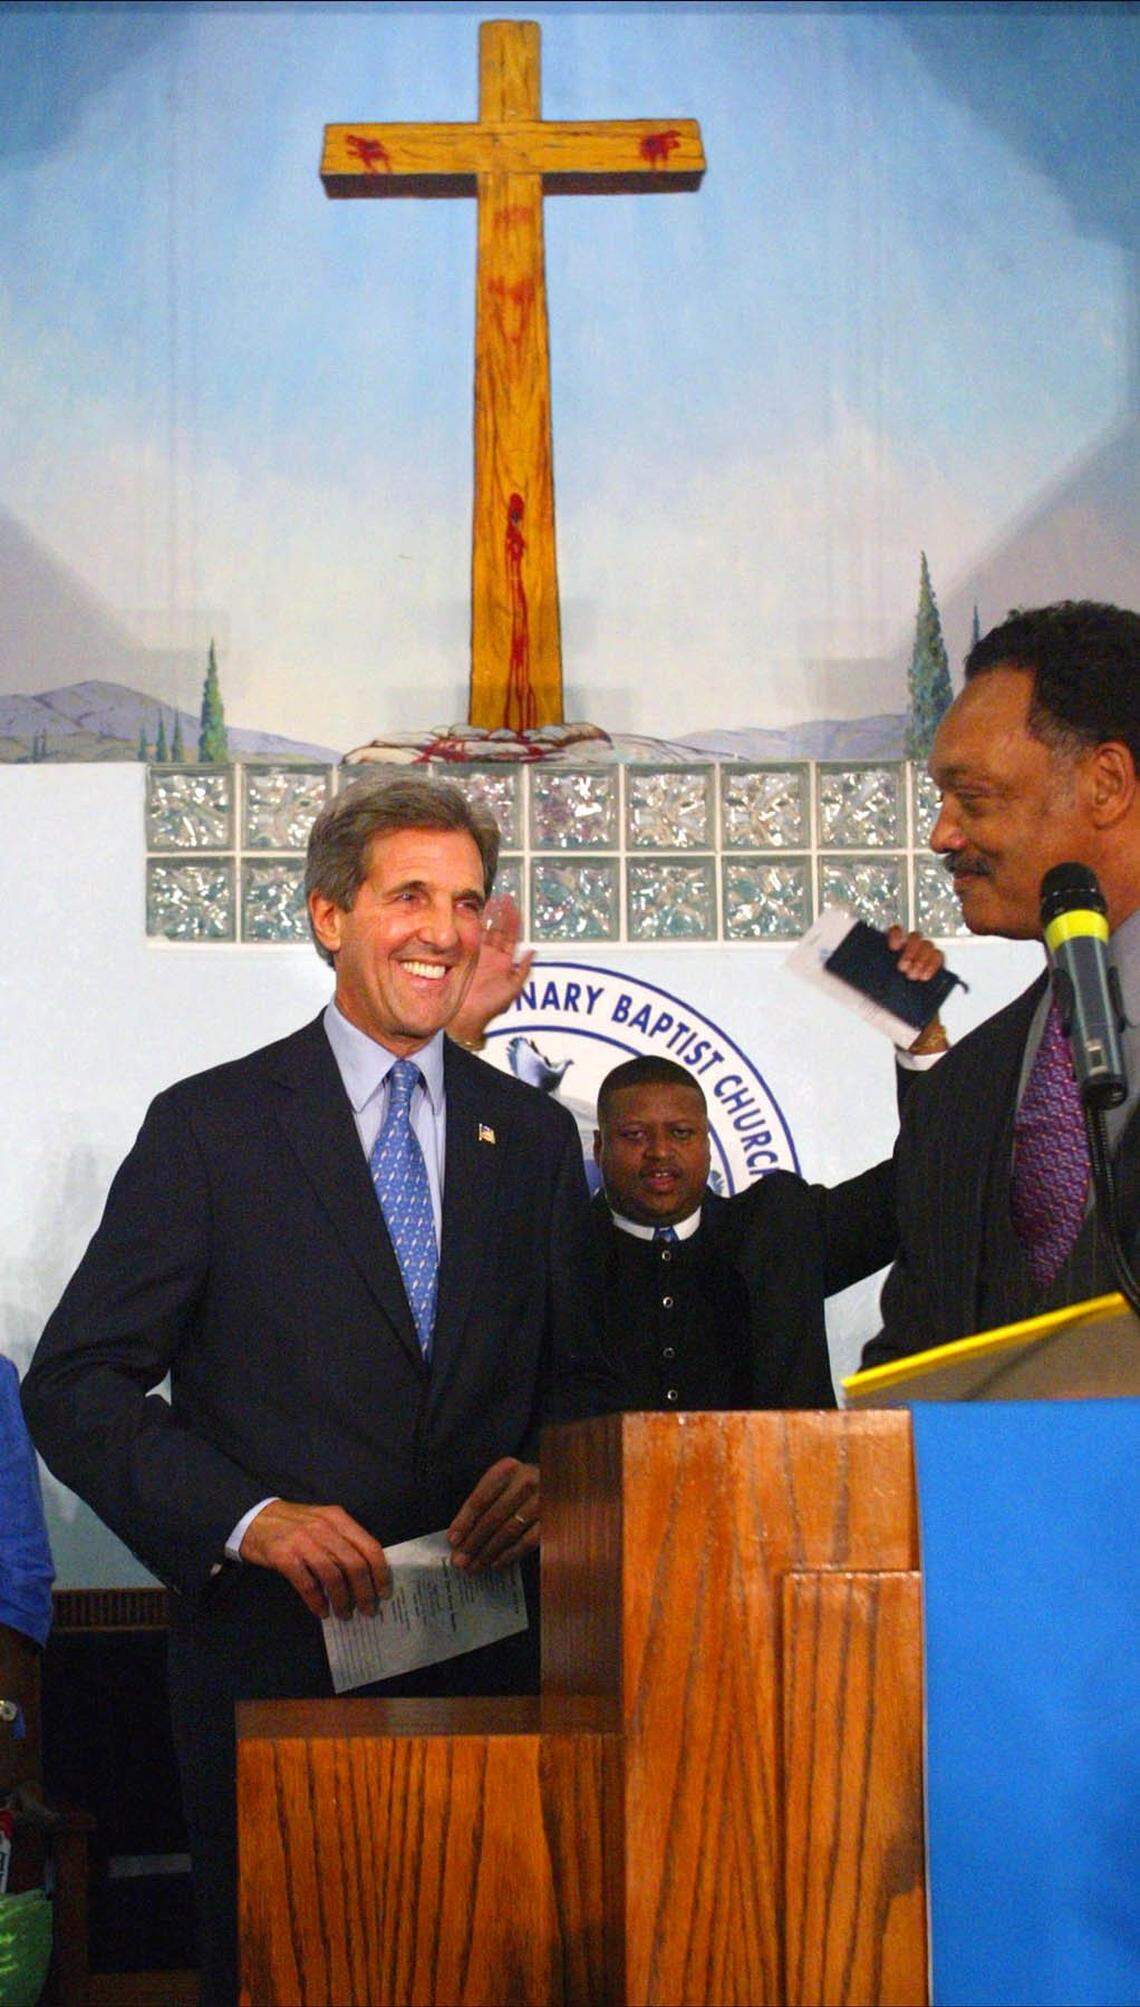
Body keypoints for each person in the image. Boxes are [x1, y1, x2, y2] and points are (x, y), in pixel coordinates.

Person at [21, 774, 596, 2004]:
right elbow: (76, 1384)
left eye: (468, 902)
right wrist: (248, 1518)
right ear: (330, 915)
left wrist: (556, 1473)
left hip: (500, 1669)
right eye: (410, 896)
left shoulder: (536, 1140)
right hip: (274, 1667)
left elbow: (586, 1384)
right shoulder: (211, 1128)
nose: (445, 931)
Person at [449, 909, 948, 1409]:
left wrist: (921, 1039)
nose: (660, 1152)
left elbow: (930, 1185)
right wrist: (462, 1029)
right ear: (598, 1148)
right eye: (635, 1135)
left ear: (708, 1144)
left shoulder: (780, 1228)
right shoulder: (554, 1250)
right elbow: (444, 1193)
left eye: (681, 1133)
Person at [863, 600, 1140, 1368]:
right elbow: (913, 1364)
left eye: (974, 798)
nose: (941, 835)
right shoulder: (957, 1096)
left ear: (1106, 782)